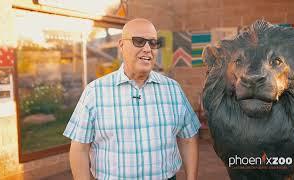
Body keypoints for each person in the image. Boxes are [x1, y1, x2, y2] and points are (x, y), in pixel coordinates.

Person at [63, 18, 200, 180]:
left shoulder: (173, 89)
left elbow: (189, 139)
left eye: (153, 43)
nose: (147, 49)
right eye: (139, 41)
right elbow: (79, 148)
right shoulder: (95, 92)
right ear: (121, 45)